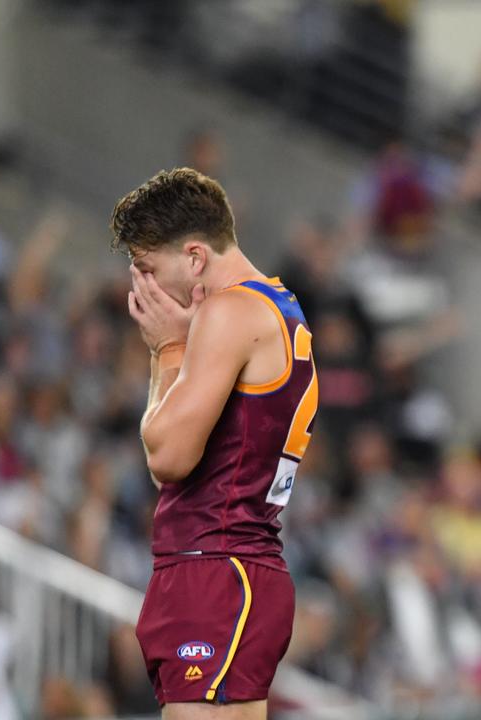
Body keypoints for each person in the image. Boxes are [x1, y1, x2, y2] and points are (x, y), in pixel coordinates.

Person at [112, 168, 319, 718]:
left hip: (218, 569)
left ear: (196, 257)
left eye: (150, 270)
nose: (145, 290)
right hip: (230, 568)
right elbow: (171, 466)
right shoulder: (275, 305)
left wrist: (168, 349)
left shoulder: (230, 313)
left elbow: (168, 458)